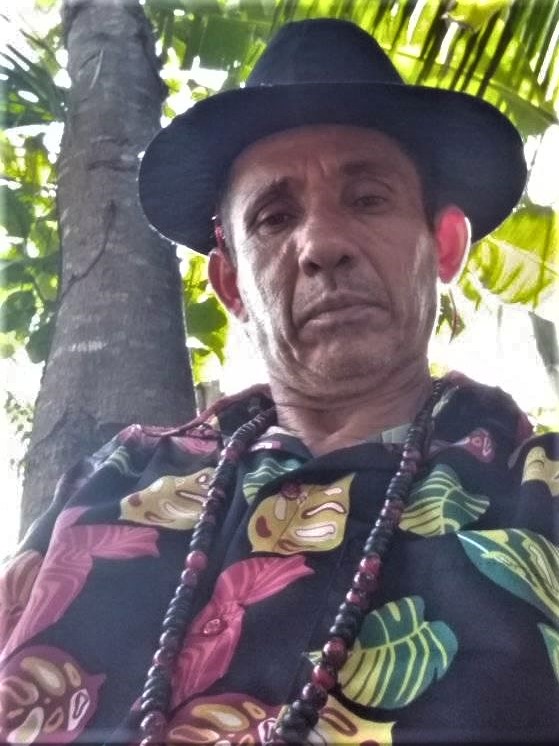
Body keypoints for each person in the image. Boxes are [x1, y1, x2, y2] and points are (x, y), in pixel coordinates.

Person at [1, 18, 557, 746]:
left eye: (368, 199)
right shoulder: (114, 484)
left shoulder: (537, 491)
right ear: (231, 283)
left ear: (444, 244)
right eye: (273, 217)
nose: (322, 245)